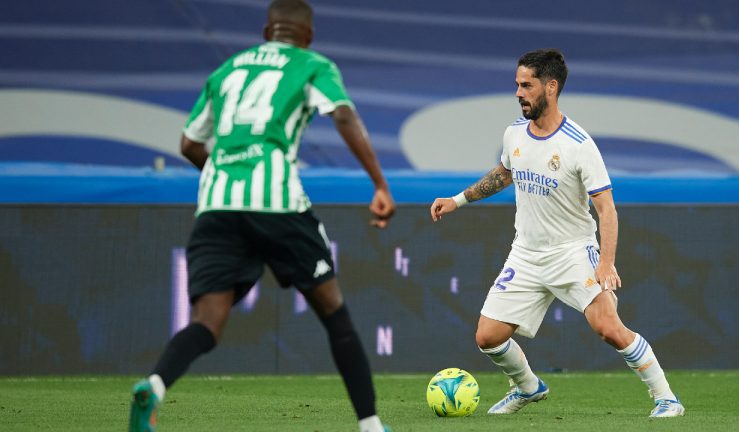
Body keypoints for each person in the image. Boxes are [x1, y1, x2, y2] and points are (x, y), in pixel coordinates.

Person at [128, 1, 395, 431]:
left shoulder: (227, 70)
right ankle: (370, 426)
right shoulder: (311, 63)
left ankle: (155, 386)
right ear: (307, 36)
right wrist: (379, 184)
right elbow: (342, 113)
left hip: (216, 203)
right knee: (334, 314)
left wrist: (228, 173)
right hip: (277, 203)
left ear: (267, 31)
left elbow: (189, 144)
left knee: (207, 323)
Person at [430, 48, 684, 418]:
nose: (518, 93)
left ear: (550, 87)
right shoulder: (514, 132)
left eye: (527, 85)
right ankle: (529, 387)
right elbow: (504, 173)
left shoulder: (578, 144)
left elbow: (606, 209)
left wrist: (606, 264)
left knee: (608, 328)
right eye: (517, 85)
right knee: (487, 337)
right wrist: (457, 200)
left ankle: (666, 399)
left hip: (573, 251)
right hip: (526, 253)